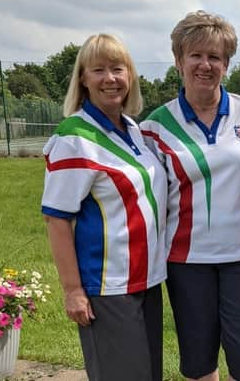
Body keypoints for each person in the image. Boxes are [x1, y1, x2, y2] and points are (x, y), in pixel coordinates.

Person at [140, 11, 240, 381]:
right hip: (187, 260)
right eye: (195, 55)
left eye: (215, 56)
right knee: (198, 361)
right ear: (179, 61)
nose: (205, 65)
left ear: (226, 64)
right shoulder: (156, 126)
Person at [41, 34, 168, 381]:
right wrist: (72, 291)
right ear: (82, 78)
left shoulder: (132, 130)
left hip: (146, 280)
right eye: (98, 70)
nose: (110, 79)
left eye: (118, 68)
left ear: (130, 76)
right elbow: (56, 219)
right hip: (107, 285)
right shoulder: (74, 137)